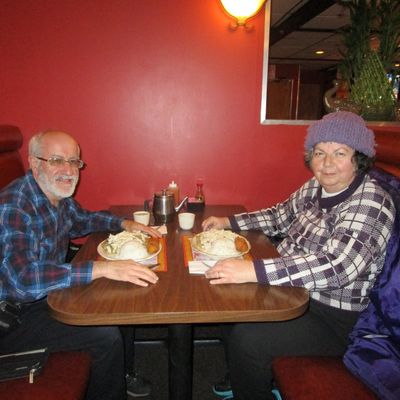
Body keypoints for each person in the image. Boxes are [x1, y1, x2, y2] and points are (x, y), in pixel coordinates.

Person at [202, 111, 396, 400]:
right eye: (319, 153)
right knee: (229, 305)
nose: (327, 163)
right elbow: (279, 216)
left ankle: (250, 382)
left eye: (340, 153)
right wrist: (229, 222)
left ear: (359, 158)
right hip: (293, 291)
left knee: (248, 339)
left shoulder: (372, 203)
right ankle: (246, 374)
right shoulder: (317, 187)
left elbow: (338, 267)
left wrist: (253, 270)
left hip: (333, 318)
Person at [0, 130, 162, 400]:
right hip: (11, 319)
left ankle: (120, 372)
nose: (68, 170)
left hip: (43, 297)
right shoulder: (13, 206)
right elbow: (22, 280)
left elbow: (83, 220)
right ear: (35, 163)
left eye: (74, 161)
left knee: (120, 301)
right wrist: (103, 268)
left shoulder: (55, 197)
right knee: (105, 335)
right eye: (56, 160)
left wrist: (125, 224)